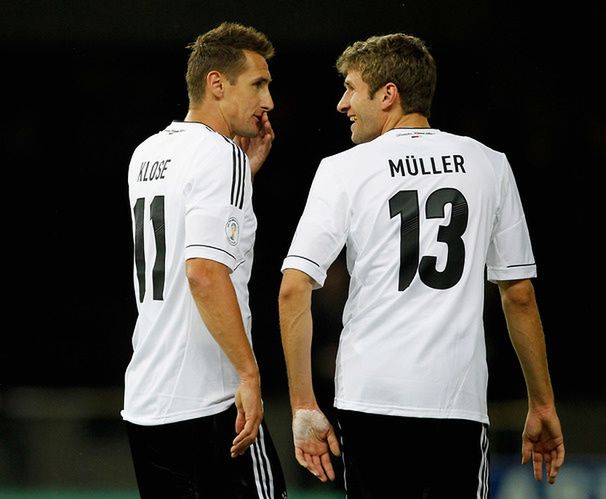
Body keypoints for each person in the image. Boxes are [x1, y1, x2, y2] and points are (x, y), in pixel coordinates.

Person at [278, 32, 564, 497]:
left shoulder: (343, 169)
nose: (341, 103)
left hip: (370, 400)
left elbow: (294, 288)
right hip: (456, 403)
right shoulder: (489, 165)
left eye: (351, 88)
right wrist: (543, 403)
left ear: (388, 94)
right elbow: (519, 293)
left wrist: (303, 405)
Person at [122, 22, 287, 498]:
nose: (269, 100)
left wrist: (243, 183)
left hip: (148, 404)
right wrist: (250, 373)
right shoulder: (221, 156)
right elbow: (204, 273)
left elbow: (181, 248)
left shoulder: (146, 154)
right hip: (212, 405)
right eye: (258, 83)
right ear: (217, 84)